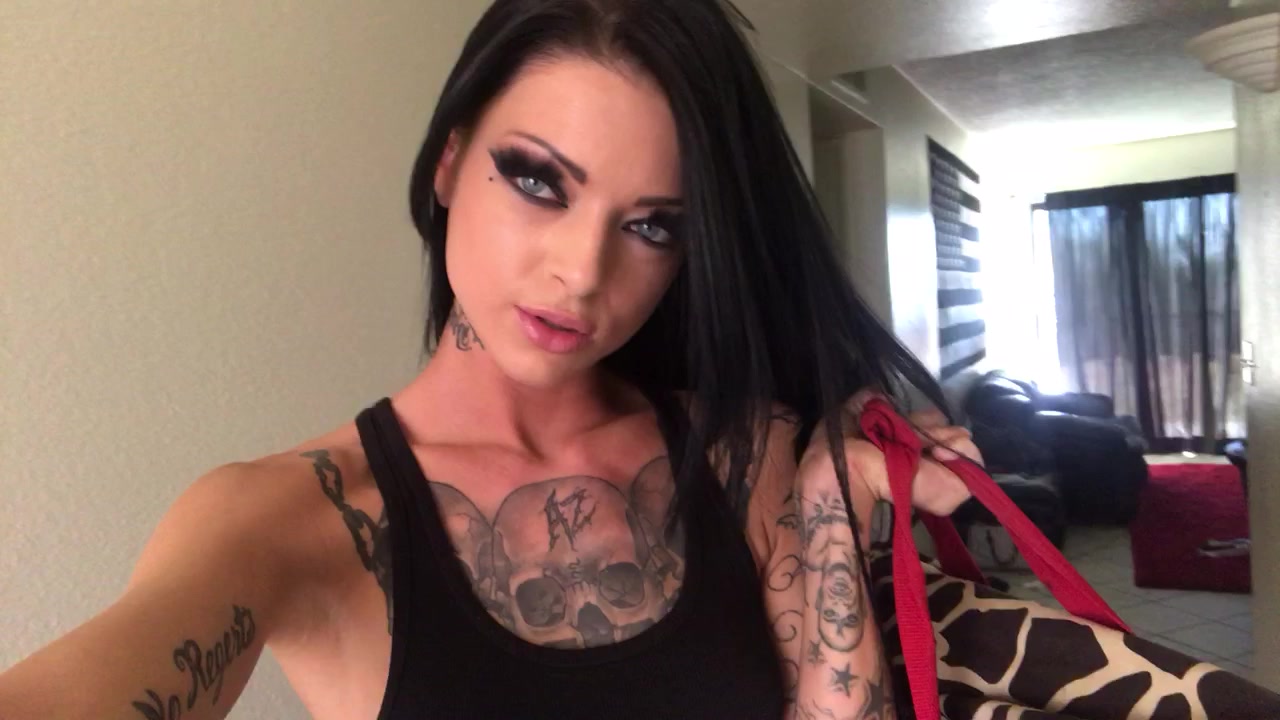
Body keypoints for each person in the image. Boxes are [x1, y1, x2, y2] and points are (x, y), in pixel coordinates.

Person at [0, 0, 980, 718]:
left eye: (650, 225)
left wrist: (830, 503)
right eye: (538, 182)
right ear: (448, 161)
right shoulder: (289, 518)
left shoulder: (742, 450)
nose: (581, 272)